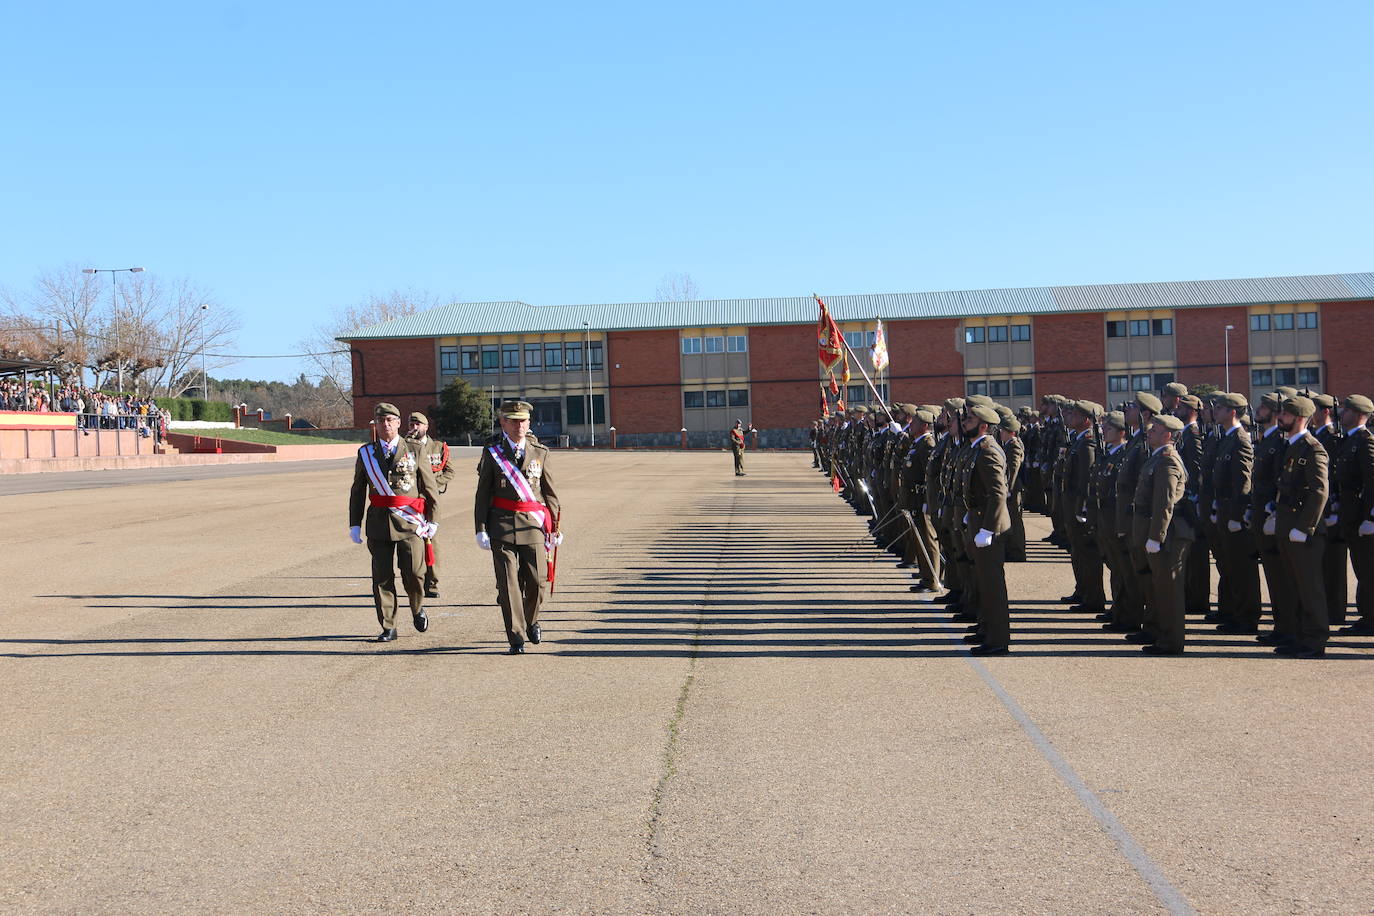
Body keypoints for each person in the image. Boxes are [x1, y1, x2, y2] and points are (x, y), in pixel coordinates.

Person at [474, 399, 563, 654]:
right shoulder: (492, 452)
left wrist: (554, 527)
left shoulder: (540, 452)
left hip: (533, 526)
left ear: (529, 422)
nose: (518, 425)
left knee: (536, 581)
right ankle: (516, 637)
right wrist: (480, 528)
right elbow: (482, 494)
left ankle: (531, 619)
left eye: (522, 420)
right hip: (501, 525)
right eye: (512, 420)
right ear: (503, 422)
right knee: (508, 584)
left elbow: (550, 494)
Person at [348, 402, 440, 642]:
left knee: (414, 573)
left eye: (390, 420)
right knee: (382, 578)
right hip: (378, 523)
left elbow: (429, 488)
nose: (385, 425)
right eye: (381, 421)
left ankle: (417, 607)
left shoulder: (415, 449)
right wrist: (354, 523)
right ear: (375, 425)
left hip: (410, 524)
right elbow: (358, 490)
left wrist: (433, 519)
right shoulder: (366, 452)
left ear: (399, 423)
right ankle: (389, 625)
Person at [1272, 395, 1330, 657]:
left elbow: (1319, 492)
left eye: (1285, 414)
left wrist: (1305, 527)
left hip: (1303, 531)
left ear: (1299, 418)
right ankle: (1298, 636)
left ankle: (1315, 640)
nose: (1280, 418)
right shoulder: (1292, 446)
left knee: (1309, 588)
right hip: (1287, 525)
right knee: (1294, 586)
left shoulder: (1312, 448)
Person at [1133, 413, 1193, 654]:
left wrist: (1156, 537)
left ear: (1168, 435)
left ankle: (1171, 641)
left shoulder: (1168, 461)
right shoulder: (1158, 458)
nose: (1149, 432)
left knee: (1170, 591)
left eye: (1154, 430)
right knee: (1160, 588)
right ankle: (1160, 633)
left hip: (1169, 535)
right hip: (1162, 532)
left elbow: (1165, 503)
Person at [959, 403, 1012, 655]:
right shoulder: (975, 449)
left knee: (993, 586)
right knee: (983, 582)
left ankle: (998, 640)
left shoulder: (988, 450)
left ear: (983, 425)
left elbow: (998, 494)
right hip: (978, 519)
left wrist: (988, 529)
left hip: (989, 525)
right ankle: (986, 628)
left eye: (970, 419)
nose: (964, 421)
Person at [1334, 395, 1374, 634]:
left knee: (1369, 571)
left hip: (1362, 517)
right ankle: (1367, 616)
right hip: (1351, 515)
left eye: (1346, 410)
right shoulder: (1349, 440)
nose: (1341, 413)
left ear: (1359, 414)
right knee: (1362, 570)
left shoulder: (1365, 441)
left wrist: (1372, 518)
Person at [406, 411, 457, 598]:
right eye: (411, 425)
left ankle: (432, 583)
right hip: (410, 500)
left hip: (430, 500)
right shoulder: (404, 446)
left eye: (417, 425)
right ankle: (415, 581)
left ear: (426, 427)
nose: (414, 428)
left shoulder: (438, 447)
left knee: (431, 540)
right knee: (411, 541)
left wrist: (433, 485)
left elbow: (449, 471)